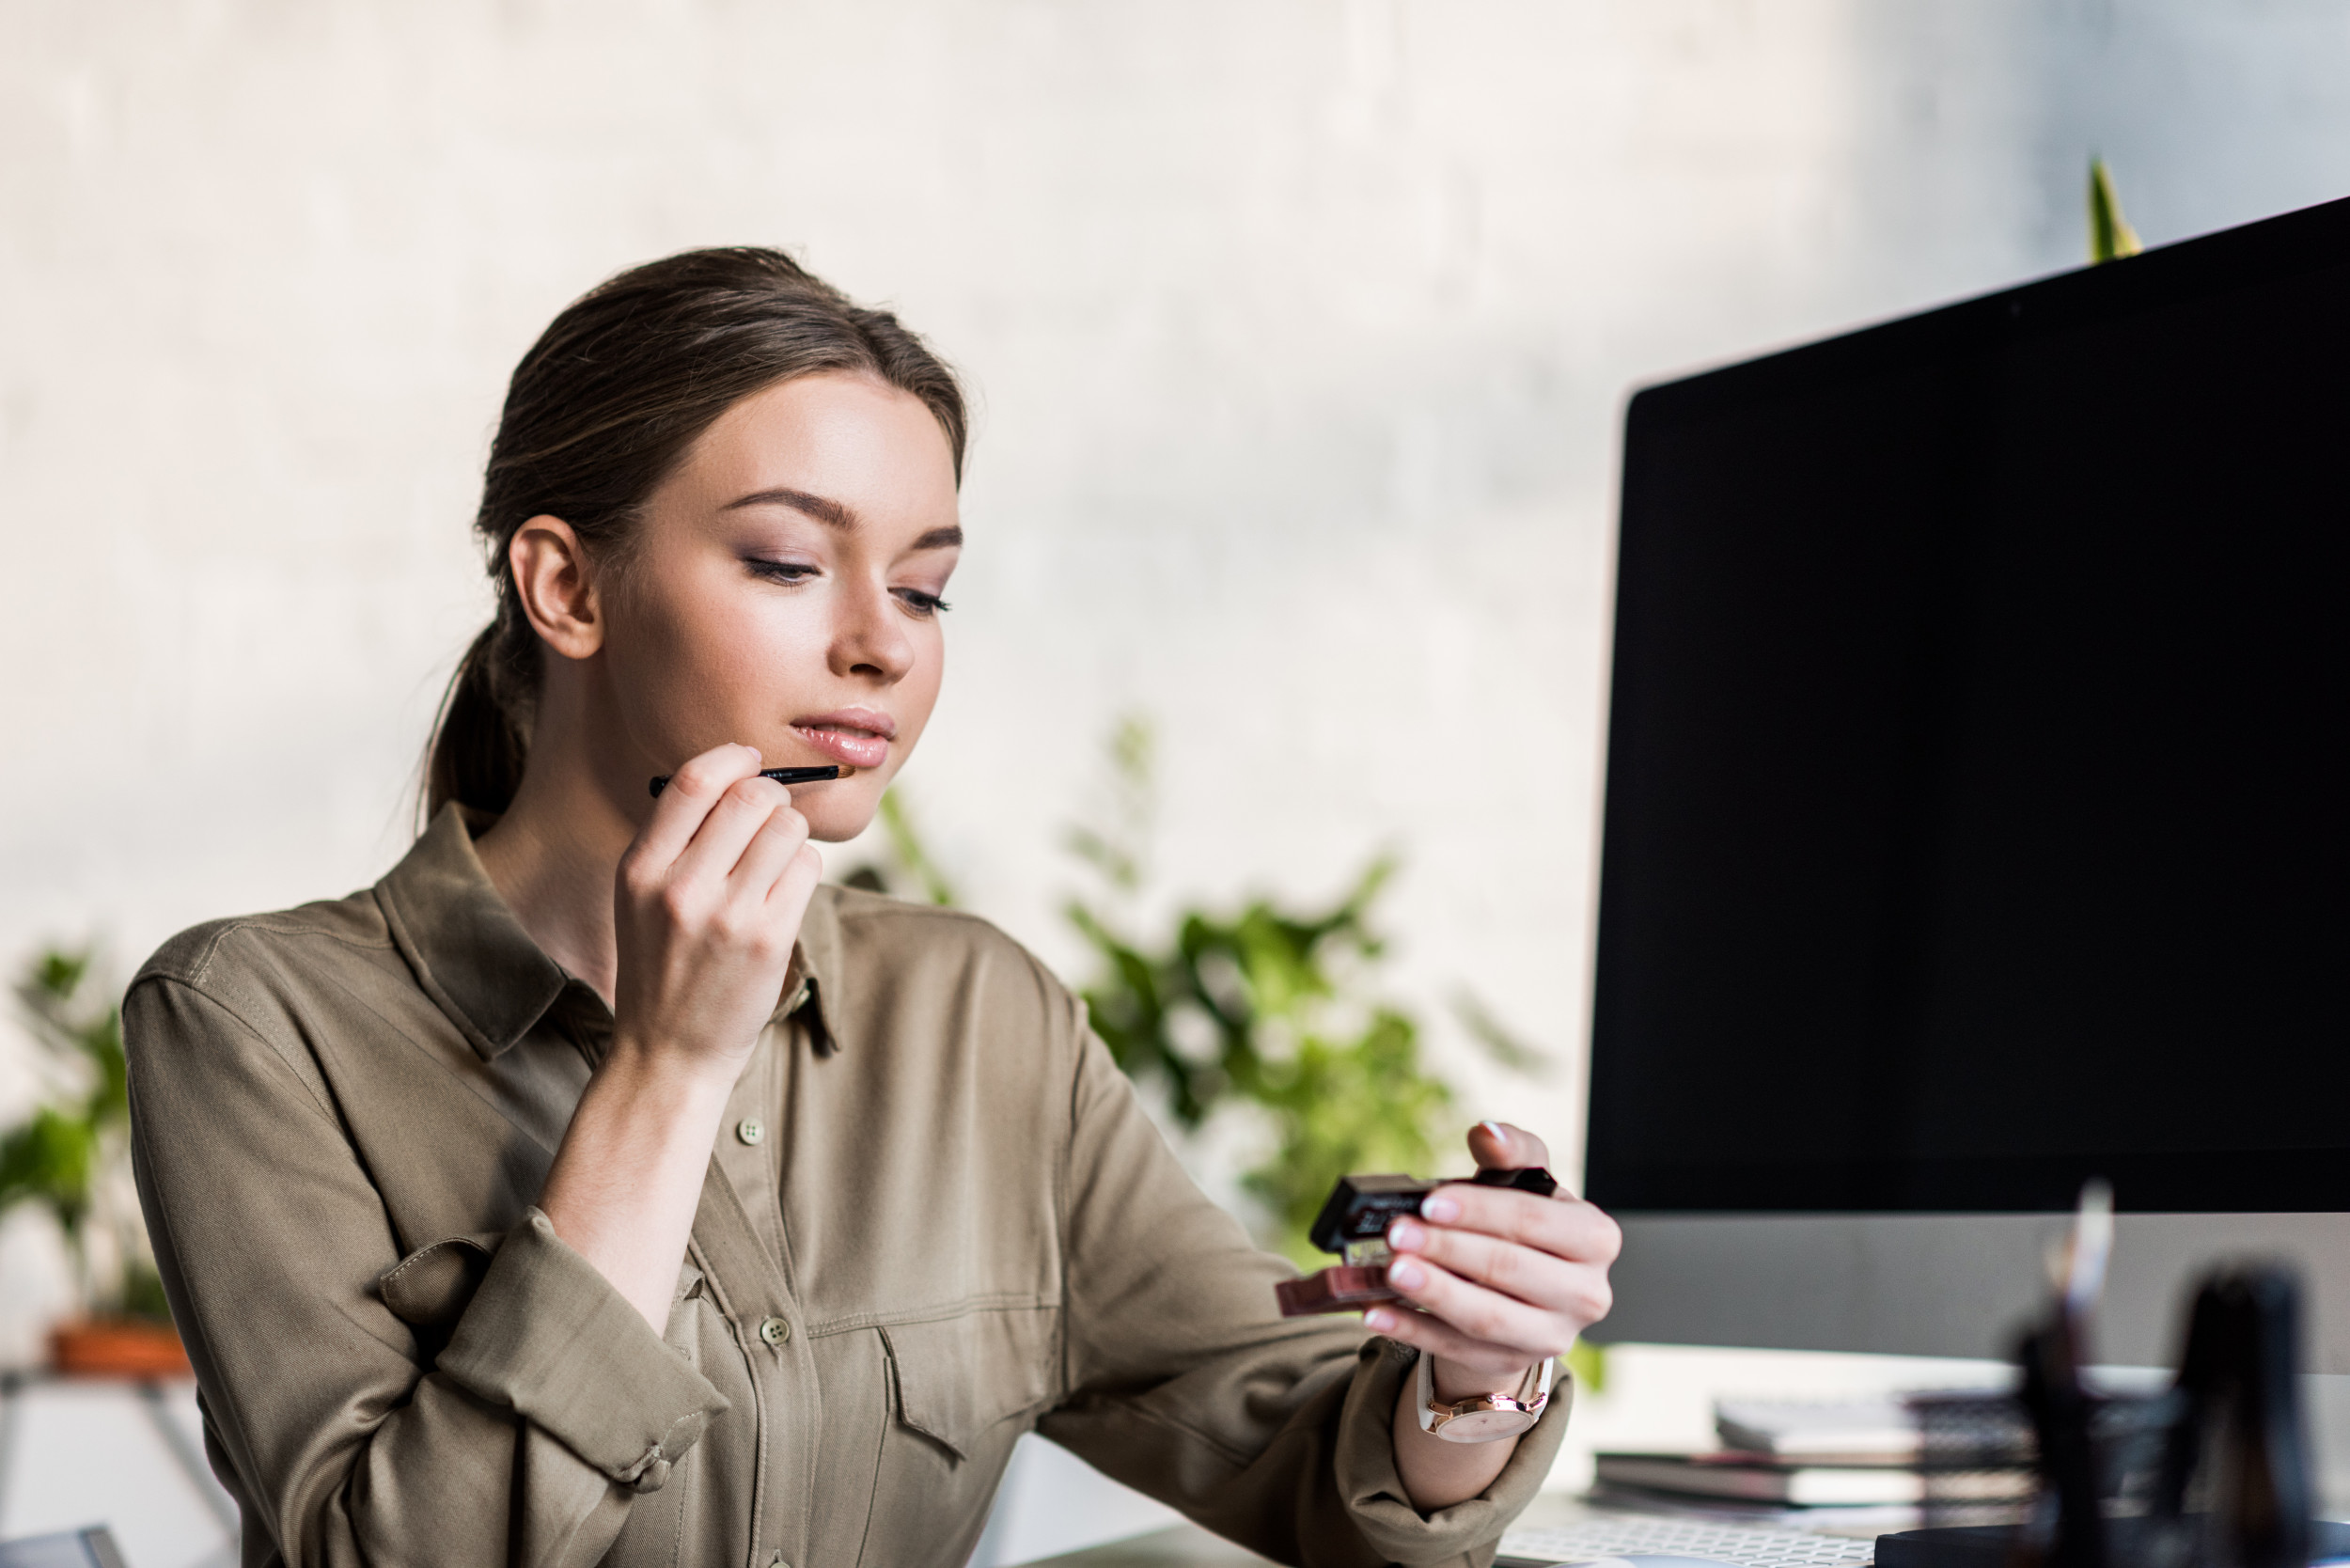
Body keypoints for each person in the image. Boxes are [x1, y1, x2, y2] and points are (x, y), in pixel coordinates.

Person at [123, 247, 1622, 1568]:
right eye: (786, 562)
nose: (879, 649)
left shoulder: (980, 1017)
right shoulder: (253, 1023)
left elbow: (1313, 1467)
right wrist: (667, 1070)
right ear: (566, 587)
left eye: (923, 591)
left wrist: (1472, 1375)